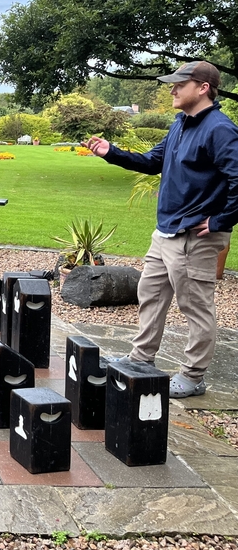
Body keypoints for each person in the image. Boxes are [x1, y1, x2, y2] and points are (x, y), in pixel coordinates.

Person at [84, 61, 238, 398]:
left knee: (195, 307)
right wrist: (113, 153)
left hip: (194, 237)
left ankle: (193, 376)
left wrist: (220, 221)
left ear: (203, 87)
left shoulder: (219, 129)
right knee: (150, 296)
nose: (172, 89)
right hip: (166, 230)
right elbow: (154, 162)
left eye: (179, 84)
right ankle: (141, 359)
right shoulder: (180, 124)